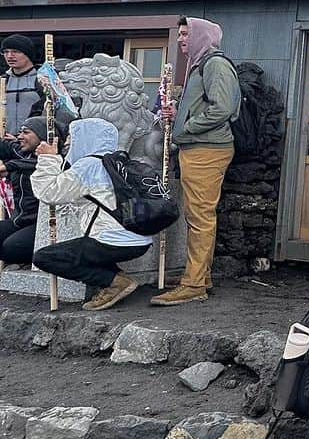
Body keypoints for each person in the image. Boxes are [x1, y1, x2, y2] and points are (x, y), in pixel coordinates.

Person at [151, 17, 240, 306]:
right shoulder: (201, 64)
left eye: (186, 33)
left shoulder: (214, 64)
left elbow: (223, 108)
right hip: (201, 148)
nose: (180, 39)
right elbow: (209, 106)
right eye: (179, 34)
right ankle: (201, 275)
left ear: (201, 36)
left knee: (200, 217)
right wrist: (179, 114)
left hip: (207, 150)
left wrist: (186, 128)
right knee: (198, 215)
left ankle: (193, 284)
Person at [30, 118, 151, 311]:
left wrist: (47, 159)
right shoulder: (118, 161)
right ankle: (117, 281)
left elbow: (49, 193)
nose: (68, 142)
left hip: (112, 240)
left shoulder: (89, 166)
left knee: (45, 257)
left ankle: (116, 283)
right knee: (86, 251)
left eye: (72, 136)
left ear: (87, 137)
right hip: (139, 239)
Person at [0, 117, 48, 264]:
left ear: (41, 136)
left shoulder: (53, 158)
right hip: (19, 219)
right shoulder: (23, 152)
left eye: (26, 132)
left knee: (11, 248)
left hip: (41, 224)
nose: (20, 136)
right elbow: (6, 147)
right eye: (20, 132)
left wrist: (11, 166)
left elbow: (37, 164)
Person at [1, 35, 44, 136]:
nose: (10, 56)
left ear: (28, 54)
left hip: (35, 143)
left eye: (15, 51)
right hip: (5, 142)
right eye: (6, 52)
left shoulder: (43, 80)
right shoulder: (3, 81)